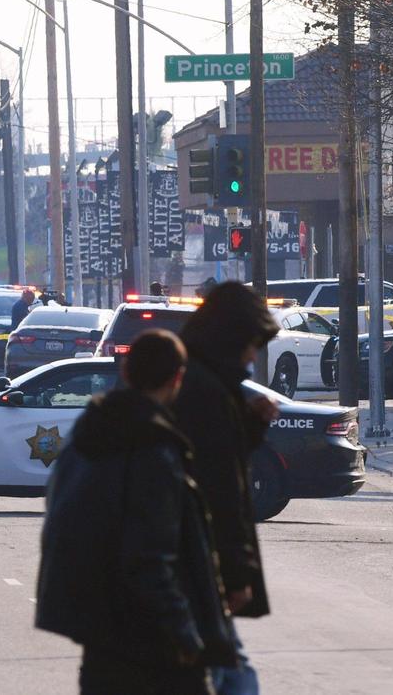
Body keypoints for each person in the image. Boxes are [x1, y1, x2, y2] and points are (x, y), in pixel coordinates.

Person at [36, 330, 235, 695]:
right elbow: (149, 559)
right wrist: (186, 635)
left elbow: (62, 514)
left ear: (125, 373)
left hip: (100, 638)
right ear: (177, 378)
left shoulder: (87, 436)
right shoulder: (153, 449)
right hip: (157, 650)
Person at [174, 281, 280, 695]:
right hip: (196, 561)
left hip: (184, 562)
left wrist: (250, 425)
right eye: (251, 344)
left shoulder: (200, 382)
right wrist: (234, 576)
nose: (253, 355)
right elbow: (220, 490)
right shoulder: (207, 392)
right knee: (231, 674)